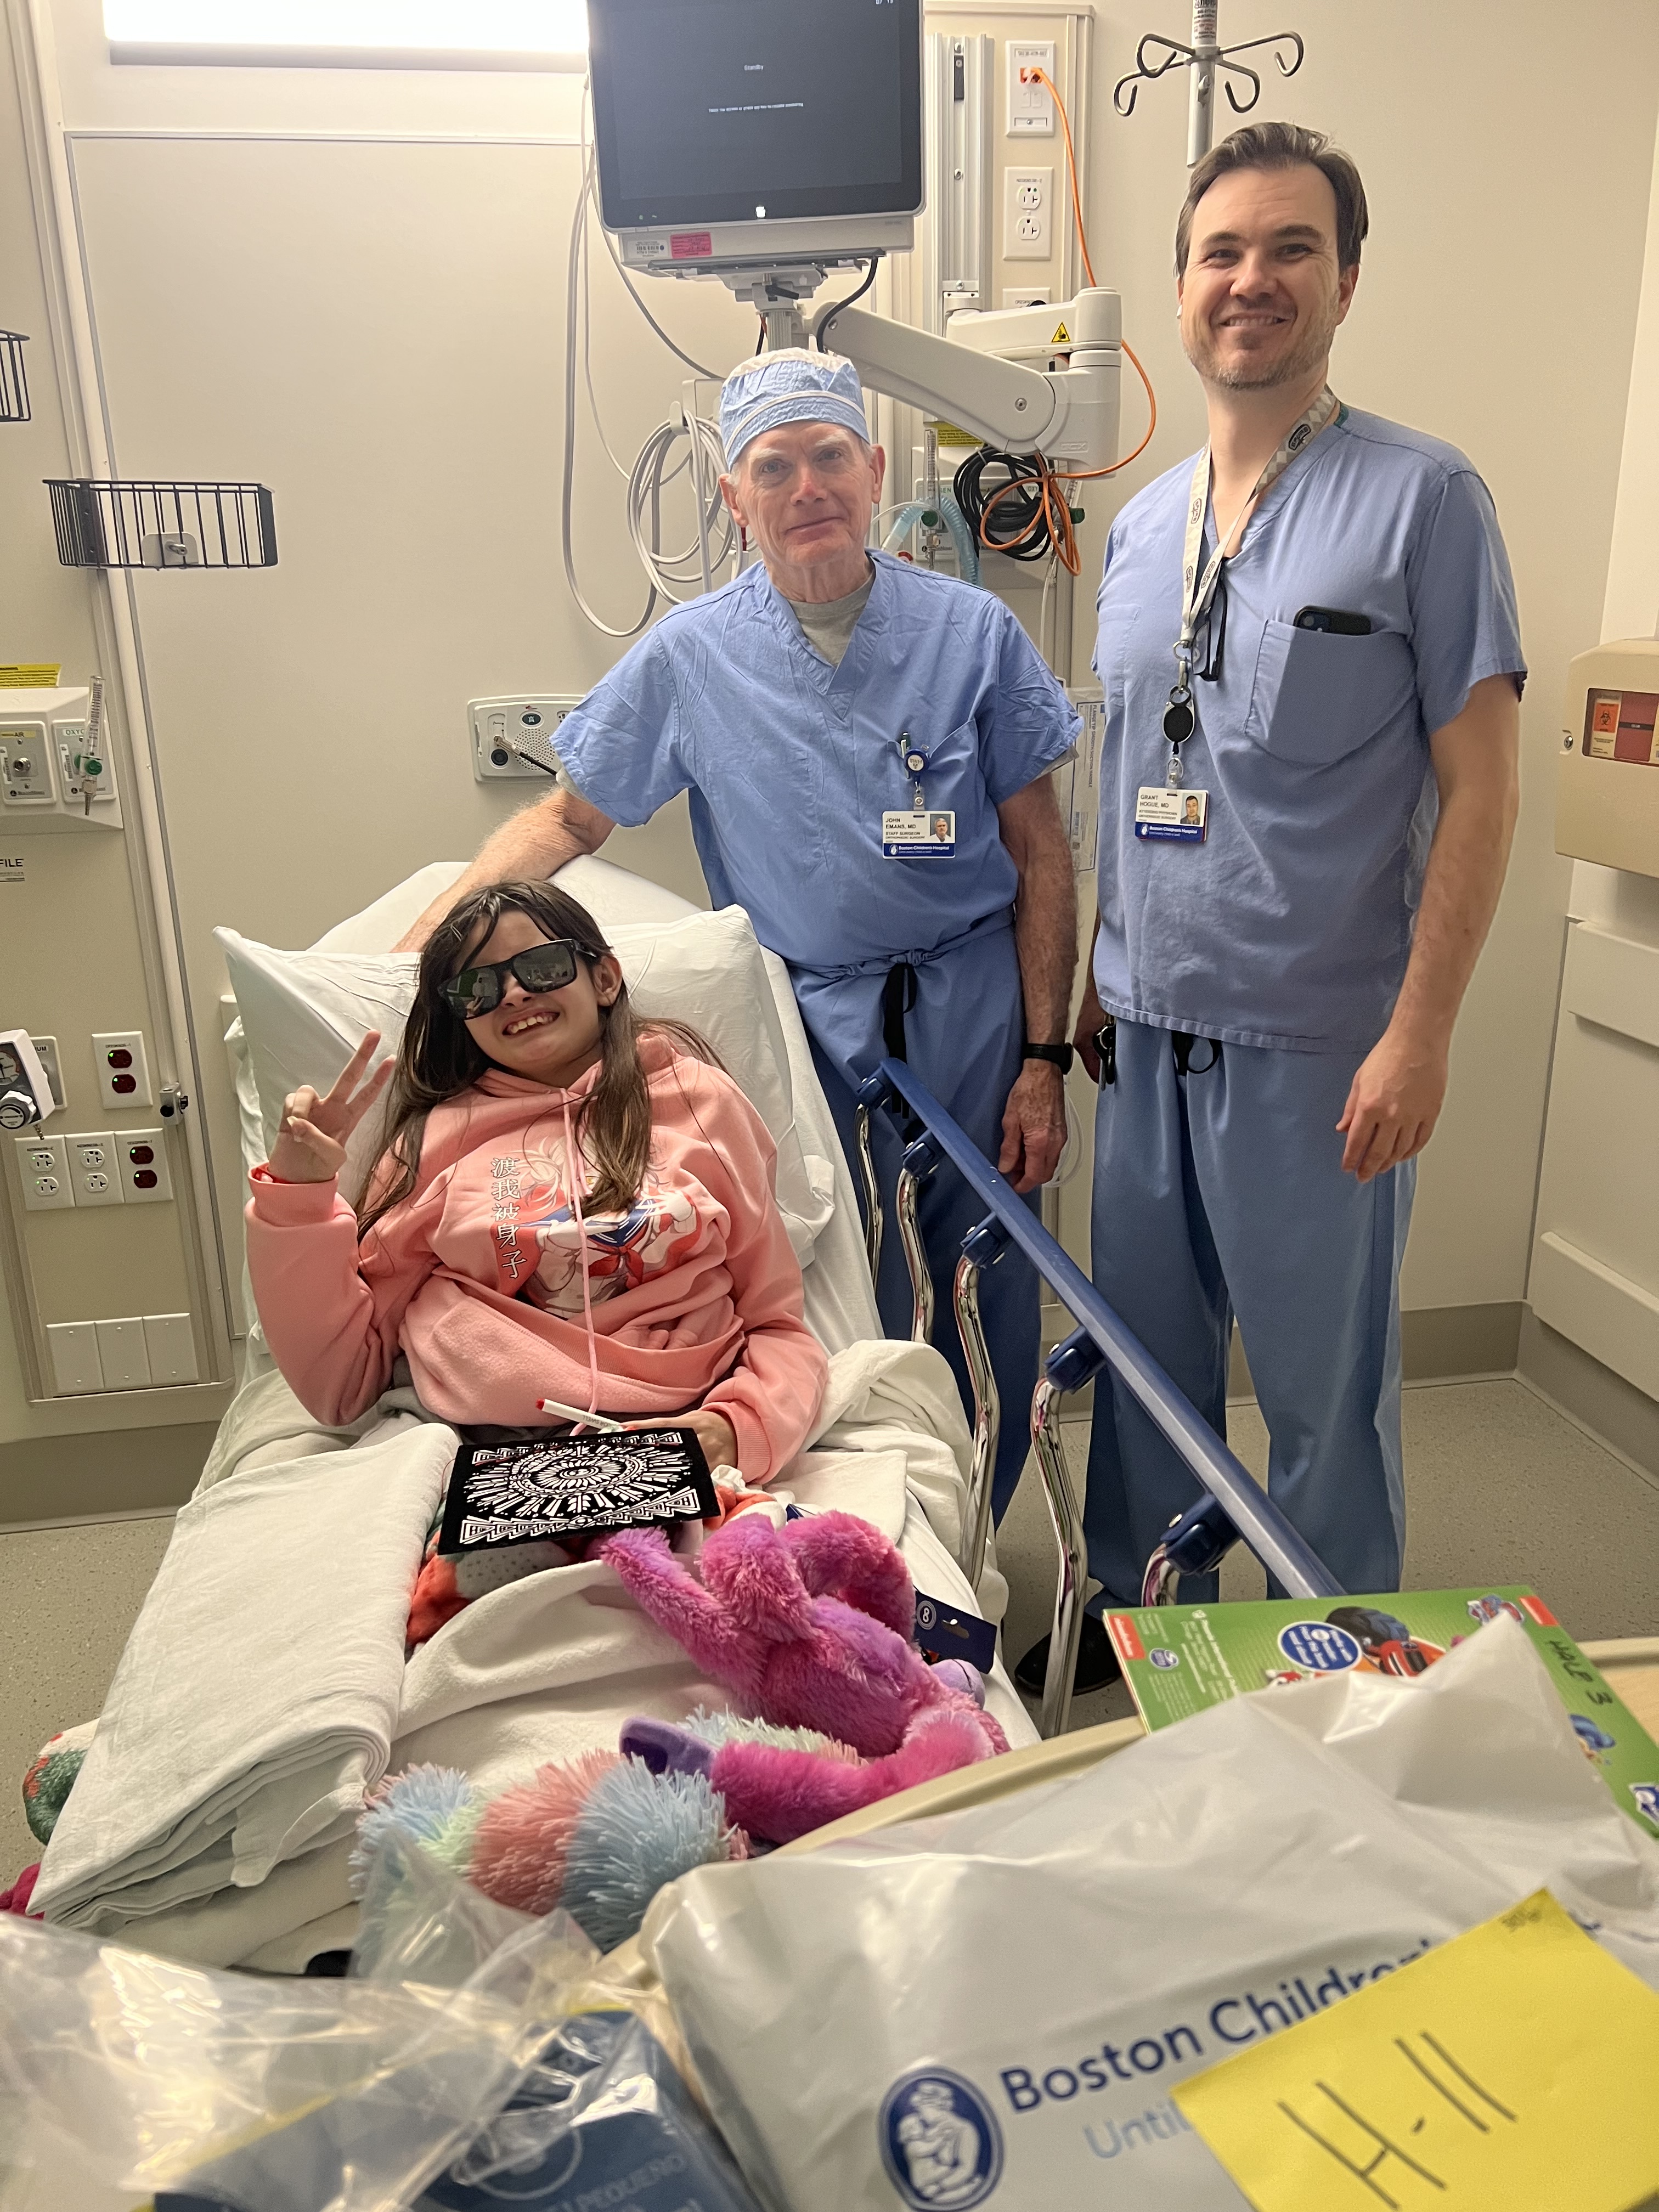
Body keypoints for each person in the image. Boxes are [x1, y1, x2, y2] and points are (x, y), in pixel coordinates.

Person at [398, 351, 1080, 1532]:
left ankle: (967, 1526)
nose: (807, 485)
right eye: (775, 466)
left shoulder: (971, 634)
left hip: (969, 1004)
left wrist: (1042, 1057)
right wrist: (423, 948)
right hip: (800, 1016)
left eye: (829, 456)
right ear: (735, 496)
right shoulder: (692, 655)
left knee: (985, 1274)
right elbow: (570, 814)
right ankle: (849, 1527)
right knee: (806, 1270)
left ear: (873, 473)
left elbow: (1044, 853)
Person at [1033, 121, 1524, 1696]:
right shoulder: (1139, 531)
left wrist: (1422, 1034)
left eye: (1290, 249)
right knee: (1147, 1369)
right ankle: (1146, 1632)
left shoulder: (1425, 502)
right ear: (1180, 290)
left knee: (1322, 1394)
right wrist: (1099, 969)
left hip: (1323, 1043)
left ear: (1347, 280)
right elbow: (1132, 769)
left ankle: (1333, 1666)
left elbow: (1486, 788)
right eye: (1222, 252)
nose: (1253, 281)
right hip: (1149, 1030)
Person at [246, 882, 828, 1640]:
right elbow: (341, 1382)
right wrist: (299, 1193)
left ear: (605, 977)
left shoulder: (701, 1104)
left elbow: (779, 1324)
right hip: (490, 1453)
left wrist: (728, 1432)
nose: (514, 992)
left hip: (678, 1439)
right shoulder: (433, 1142)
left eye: (543, 966)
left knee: (773, 1628)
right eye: (478, 986)